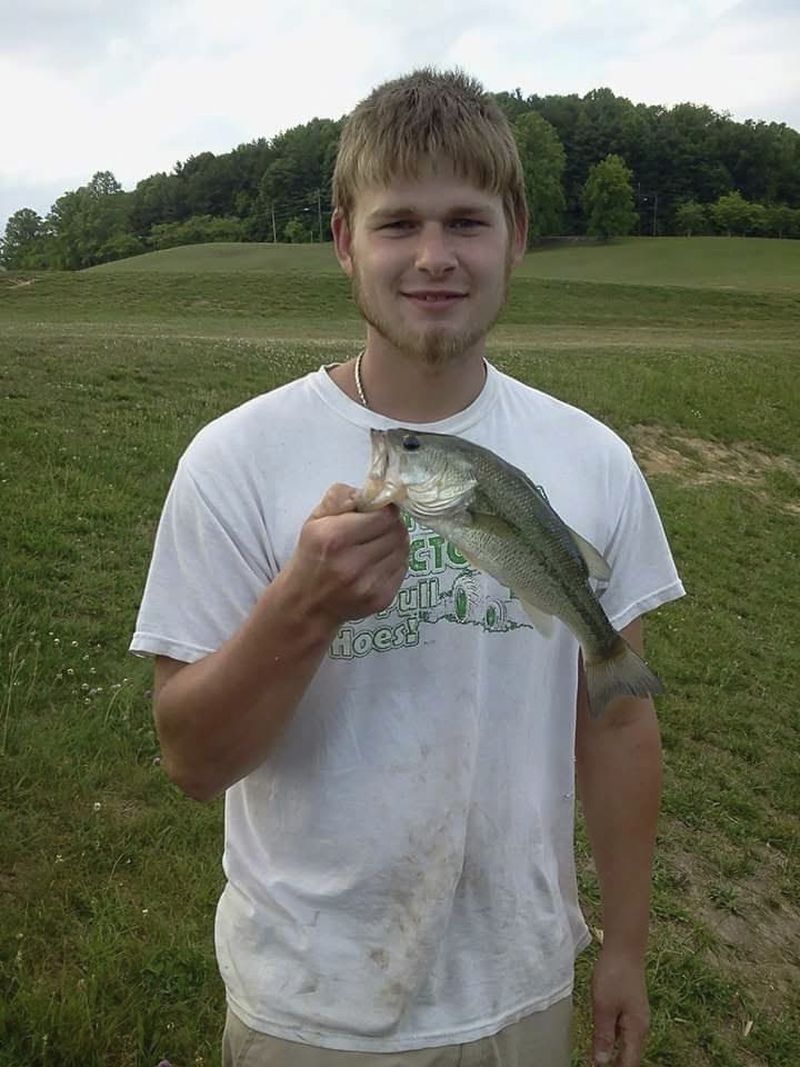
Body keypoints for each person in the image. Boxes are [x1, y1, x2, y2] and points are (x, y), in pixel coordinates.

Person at [130, 68, 684, 1067]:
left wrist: (627, 947)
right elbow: (191, 760)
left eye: (465, 221)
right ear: (344, 239)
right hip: (311, 1006)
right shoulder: (232, 459)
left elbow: (618, 723)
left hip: (522, 986)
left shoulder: (592, 459)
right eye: (398, 224)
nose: (433, 256)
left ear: (515, 233)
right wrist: (296, 614)